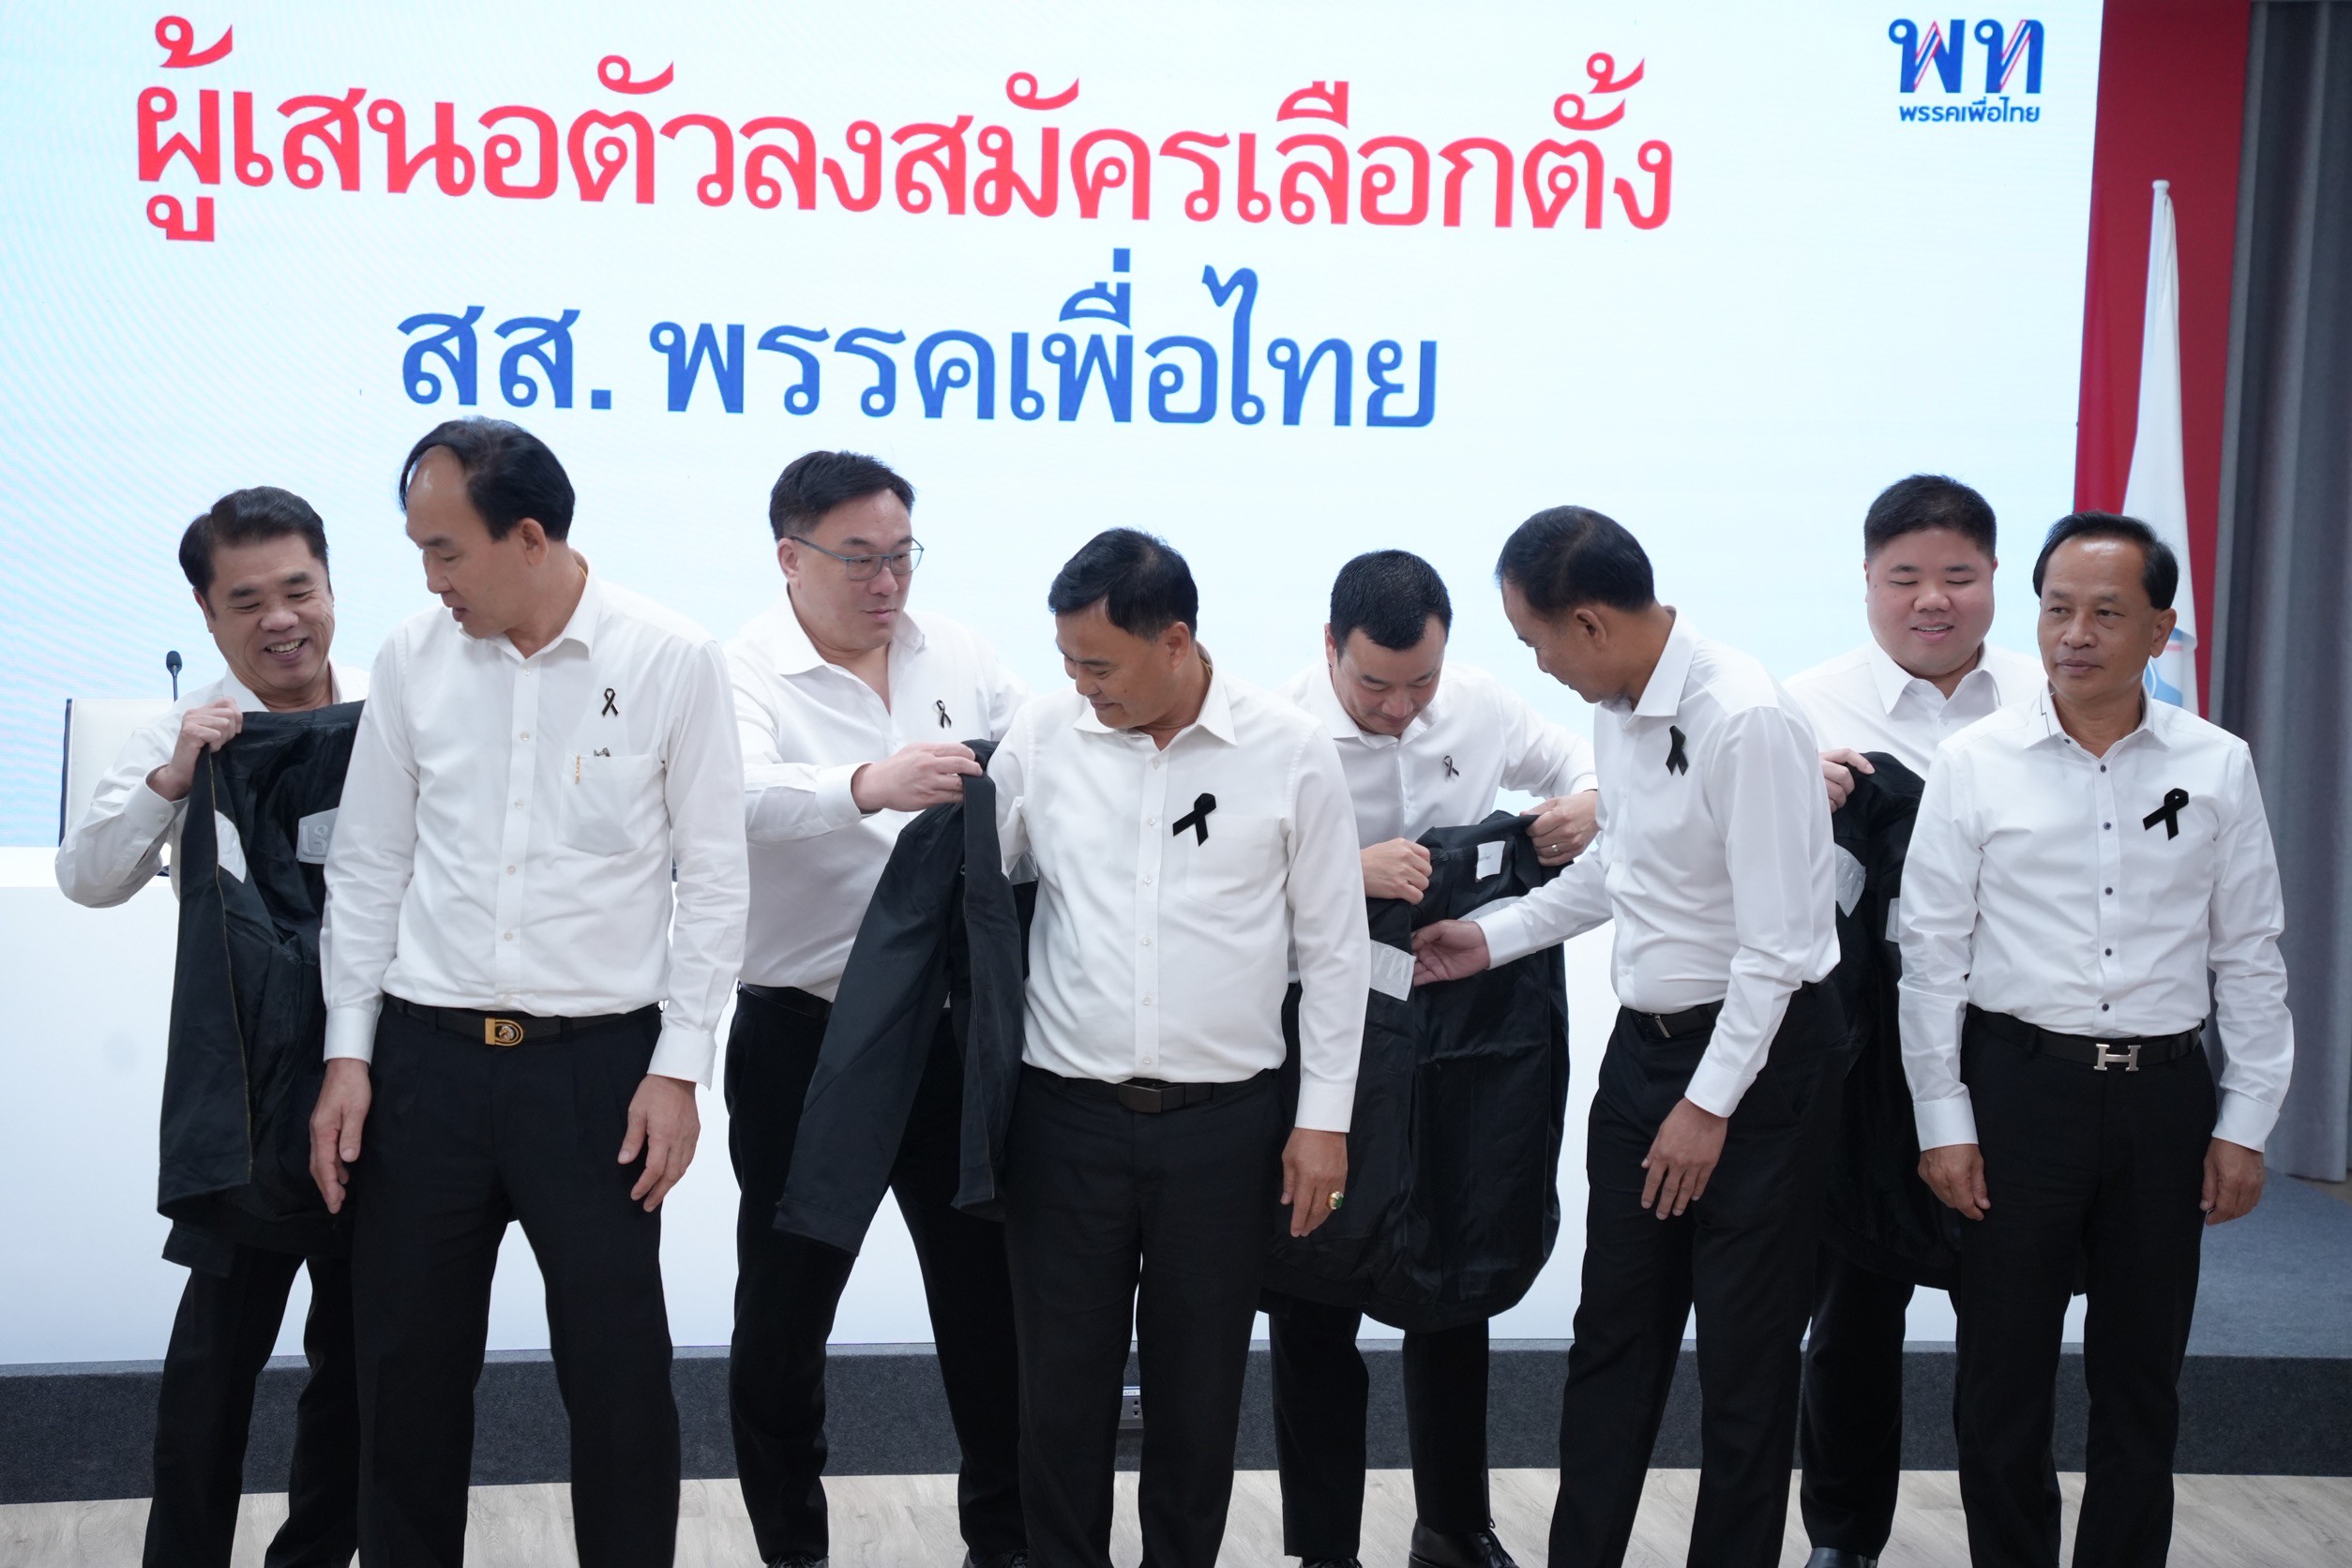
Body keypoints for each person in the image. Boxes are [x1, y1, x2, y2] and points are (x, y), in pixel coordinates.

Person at [309, 417, 747, 1568]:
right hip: (426, 1068)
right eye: (420, 550)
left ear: (532, 538)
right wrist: (348, 1054)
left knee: (618, 1380)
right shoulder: (411, 658)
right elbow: (368, 863)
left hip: (597, 1077)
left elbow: (714, 877)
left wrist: (679, 1068)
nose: (430, 578)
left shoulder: (670, 657)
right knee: (404, 1379)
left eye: (446, 550)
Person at [1413, 506, 1842, 1568]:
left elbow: (1780, 947)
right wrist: (1491, 937)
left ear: (1591, 624)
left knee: (1744, 1362)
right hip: (1647, 1060)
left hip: (1758, 1071)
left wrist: (1708, 1105)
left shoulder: (1745, 717)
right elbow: (1619, 870)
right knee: (1613, 1336)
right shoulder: (1619, 705)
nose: (1540, 666)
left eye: (1536, 641)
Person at [1899, 512, 2292, 1568]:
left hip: (2165, 1098)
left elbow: (2250, 952)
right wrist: (1943, 1119)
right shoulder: (1975, 762)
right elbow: (1931, 957)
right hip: (2020, 1092)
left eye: (2107, 613)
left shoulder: (2217, 764)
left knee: (2141, 1381)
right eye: (2058, 609)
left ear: (2161, 629)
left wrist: (2246, 1120)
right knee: (2001, 1381)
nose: (2075, 634)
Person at [987, 529, 1368, 1568]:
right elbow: (978, 889)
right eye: (1068, 661)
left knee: (1199, 1402)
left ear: (1176, 641)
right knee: (1059, 1399)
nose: (1080, 684)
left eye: (1099, 664)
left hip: (1225, 1131)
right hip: (1063, 1122)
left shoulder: (1291, 751)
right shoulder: (1044, 734)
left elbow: (1335, 952)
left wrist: (1323, 1123)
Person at [724, 450, 1028, 1568]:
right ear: (790, 556)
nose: (887, 581)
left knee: (991, 1309)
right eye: (859, 559)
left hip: (950, 1034)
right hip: (805, 1041)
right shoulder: (740, 670)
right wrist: (868, 783)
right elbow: (728, 798)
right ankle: (792, 1548)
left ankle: (1004, 1542)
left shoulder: (962, 653)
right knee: (785, 1315)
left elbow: (1047, 761)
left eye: (902, 555)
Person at [1266, 549, 1598, 1568]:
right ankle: (1324, 1549)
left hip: (1464, 1021)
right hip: (1325, 1029)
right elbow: (1217, 888)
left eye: (1422, 682)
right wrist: (1338, 866)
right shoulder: (1274, 731)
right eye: (1376, 684)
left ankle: (1453, 1525)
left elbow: (1584, 765)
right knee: (1314, 1287)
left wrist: (1591, 800)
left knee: (1456, 1270)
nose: (1402, 708)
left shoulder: (1480, 704)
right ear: (1331, 647)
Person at [57, 486, 365, 1568]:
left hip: (381, 1077)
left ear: (330, 587)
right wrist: (173, 775)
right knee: (210, 1374)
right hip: (243, 1091)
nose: (281, 619)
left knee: (362, 1370)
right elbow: (89, 875)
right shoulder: (185, 731)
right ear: (207, 610)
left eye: (298, 590)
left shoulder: (396, 715)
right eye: (247, 601)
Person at [1781, 474, 2043, 1568]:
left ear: (1996, 578)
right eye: (1906, 578)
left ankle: (2012, 1545)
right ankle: (1843, 1539)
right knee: (1852, 1305)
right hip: (1860, 1048)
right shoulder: (1803, 708)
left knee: (2010, 1317)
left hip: (2019, 1037)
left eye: (1958, 577)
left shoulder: (2051, 698)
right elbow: (1760, 887)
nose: (1932, 601)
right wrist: (1800, 802)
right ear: (1867, 580)